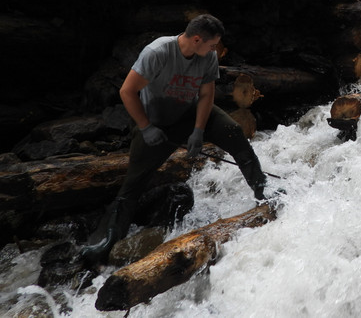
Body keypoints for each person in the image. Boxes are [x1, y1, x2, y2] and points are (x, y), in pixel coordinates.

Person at [80, 14, 268, 263]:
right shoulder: (157, 52)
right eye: (212, 45)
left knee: (233, 131)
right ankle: (107, 241)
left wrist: (199, 131)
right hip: (155, 120)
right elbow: (127, 91)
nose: (215, 50)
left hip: (190, 113)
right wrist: (146, 127)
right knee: (134, 182)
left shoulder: (207, 56)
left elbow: (206, 95)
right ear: (197, 39)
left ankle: (262, 190)